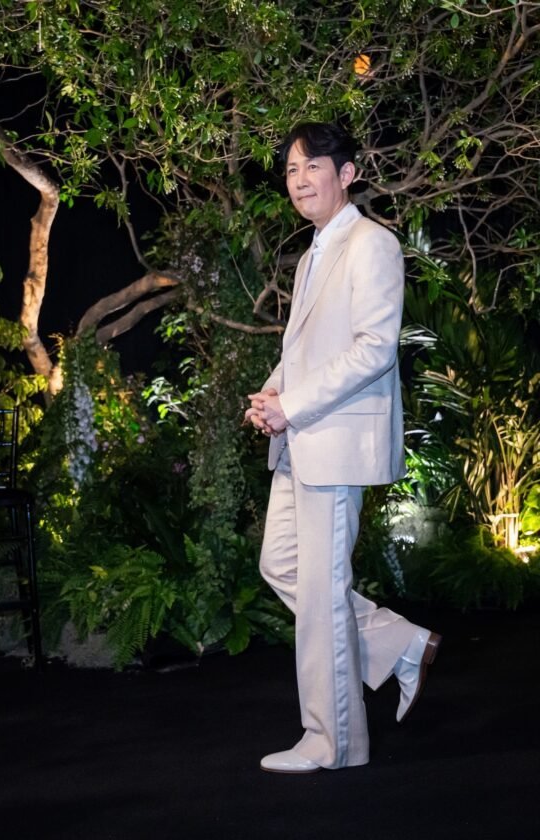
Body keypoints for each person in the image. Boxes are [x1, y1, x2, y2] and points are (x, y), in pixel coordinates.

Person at [244, 121, 441, 774]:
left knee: (324, 592)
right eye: (291, 170)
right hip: (300, 438)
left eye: (312, 167)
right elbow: (303, 350)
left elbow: (373, 349)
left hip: (333, 441)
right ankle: (398, 644)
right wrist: (271, 394)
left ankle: (333, 742)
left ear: (346, 174)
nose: (299, 180)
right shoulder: (311, 256)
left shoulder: (371, 244)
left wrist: (293, 406)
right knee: (282, 566)